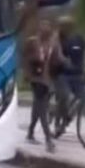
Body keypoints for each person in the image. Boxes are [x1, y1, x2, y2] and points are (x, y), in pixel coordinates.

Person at [23, 19, 66, 153]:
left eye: (47, 26)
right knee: (42, 109)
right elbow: (25, 59)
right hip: (36, 79)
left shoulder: (53, 44)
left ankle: (30, 133)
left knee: (37, 106)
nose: (44, 29)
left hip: (47, 79)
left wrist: (68, 64)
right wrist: (27, 74)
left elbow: (59, 59)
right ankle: (48, 140)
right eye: (42, 26)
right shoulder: (32, 42)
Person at [53, 15, 85, 125]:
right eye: (64, 26)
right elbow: (58, 54)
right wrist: (64, 61)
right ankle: (58, 122)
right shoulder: (57, 39)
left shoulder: (78, 38)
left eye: (68, 26)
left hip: (77, 73)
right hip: (62, 74)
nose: (66, 28)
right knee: (65, 96)